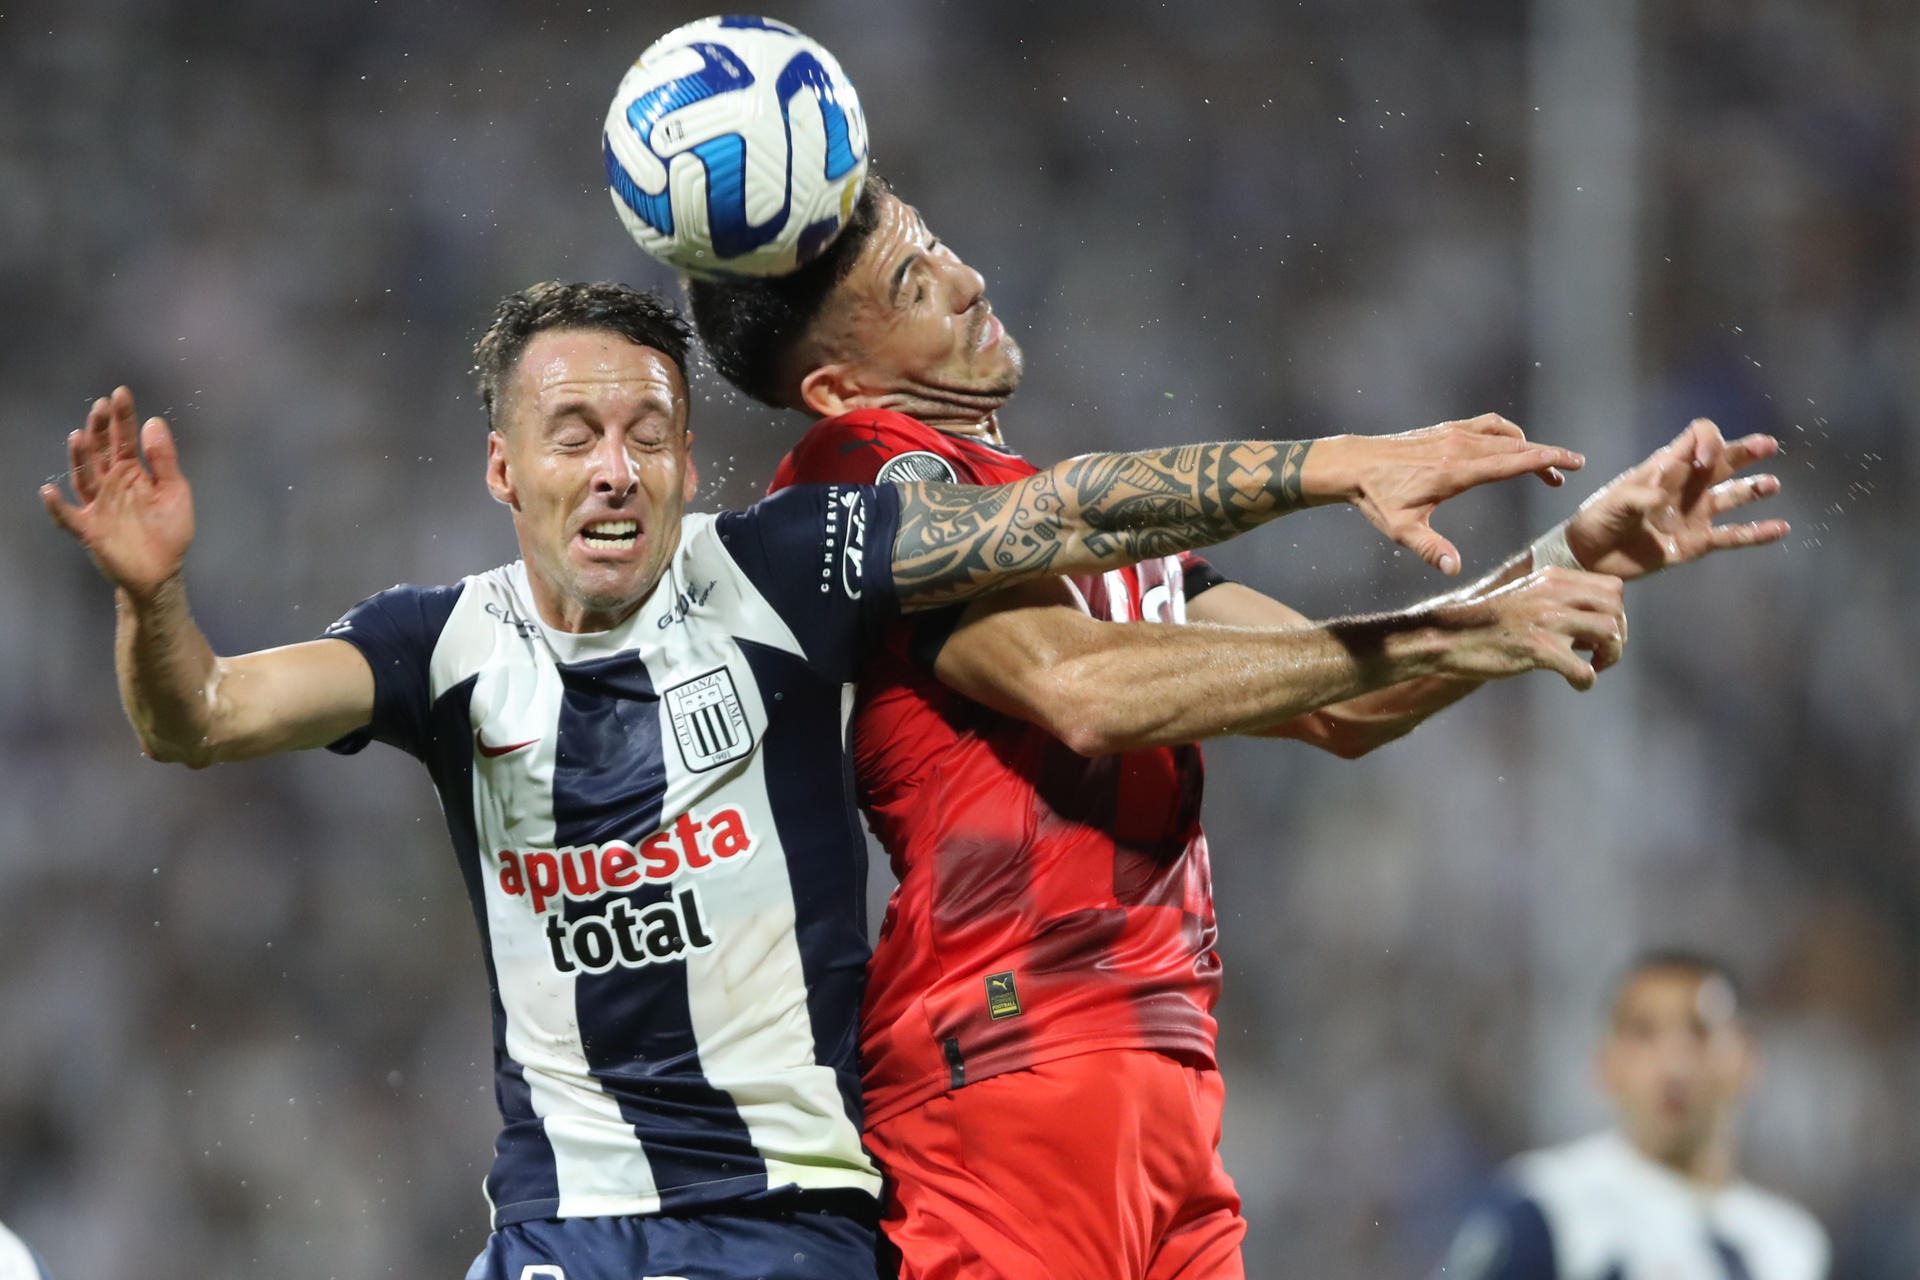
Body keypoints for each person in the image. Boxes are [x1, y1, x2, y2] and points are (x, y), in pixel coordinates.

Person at [40, 281, 1614, 1280]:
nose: (612, 465)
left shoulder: (787, 566)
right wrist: (154, 599)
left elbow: (1050, 516)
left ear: (689, 464)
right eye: (571, 431)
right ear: (502, 470)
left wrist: (1335, 467)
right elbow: (203, 719)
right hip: (565, 1224)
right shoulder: (439, 645)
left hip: (802, 1220)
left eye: (646, 431)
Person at [684, 175, 1789, 1280]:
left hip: (1164, 1075)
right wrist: (1470, 629)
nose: (970, 283)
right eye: (914, 285)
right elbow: (1085, 691)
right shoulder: (859, 483)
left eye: (942, 249)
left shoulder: (1085, 524)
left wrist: (1571, 560)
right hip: (1006, 1063)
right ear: (839, 382)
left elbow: (1339, 696)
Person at [1433, 951, 1829, 1279]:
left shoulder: (1791, 1245)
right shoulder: (1549, 1208)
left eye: (1699, 1032)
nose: (1673, 1064)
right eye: (1644, 1033)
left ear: (1747, 1059)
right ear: (1607, 1064)